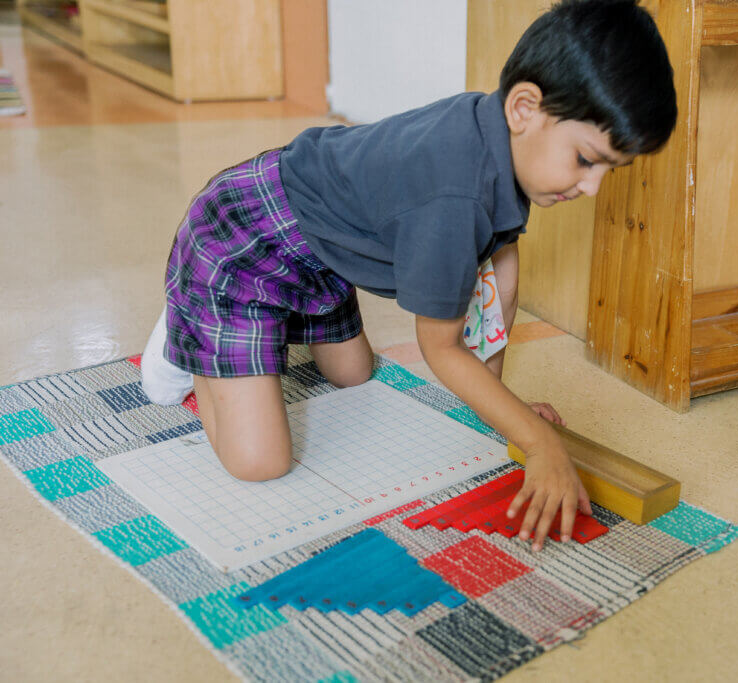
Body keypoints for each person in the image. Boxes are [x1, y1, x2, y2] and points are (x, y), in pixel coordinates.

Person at [141, 0, 677, 551]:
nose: (592, 187)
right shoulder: (454, 197)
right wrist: (539, 442)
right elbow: (441, 347)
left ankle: (245, 328)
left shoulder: (505, 144)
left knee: (354, 375)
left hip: (321, 255)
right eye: (587, 159)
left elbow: (498, 283)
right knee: (261, 462)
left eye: (611, 169)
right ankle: (186, 327)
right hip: (240, 242)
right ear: (524, 108)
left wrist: (504, 410)